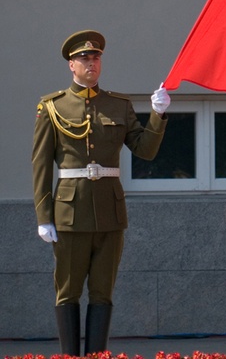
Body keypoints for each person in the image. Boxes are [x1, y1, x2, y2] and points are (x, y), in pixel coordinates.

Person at [32, 30, 170, 356]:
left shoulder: (118, 105)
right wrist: (44, 215)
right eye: (84, 58)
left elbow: (145, 150)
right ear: (71, 65)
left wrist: (158, 114)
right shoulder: (52, 106)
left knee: (102, 293)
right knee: (67, 292)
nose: (90, 63)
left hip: (110, 212)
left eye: (95, 58)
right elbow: (40, 165)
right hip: (69, 213)